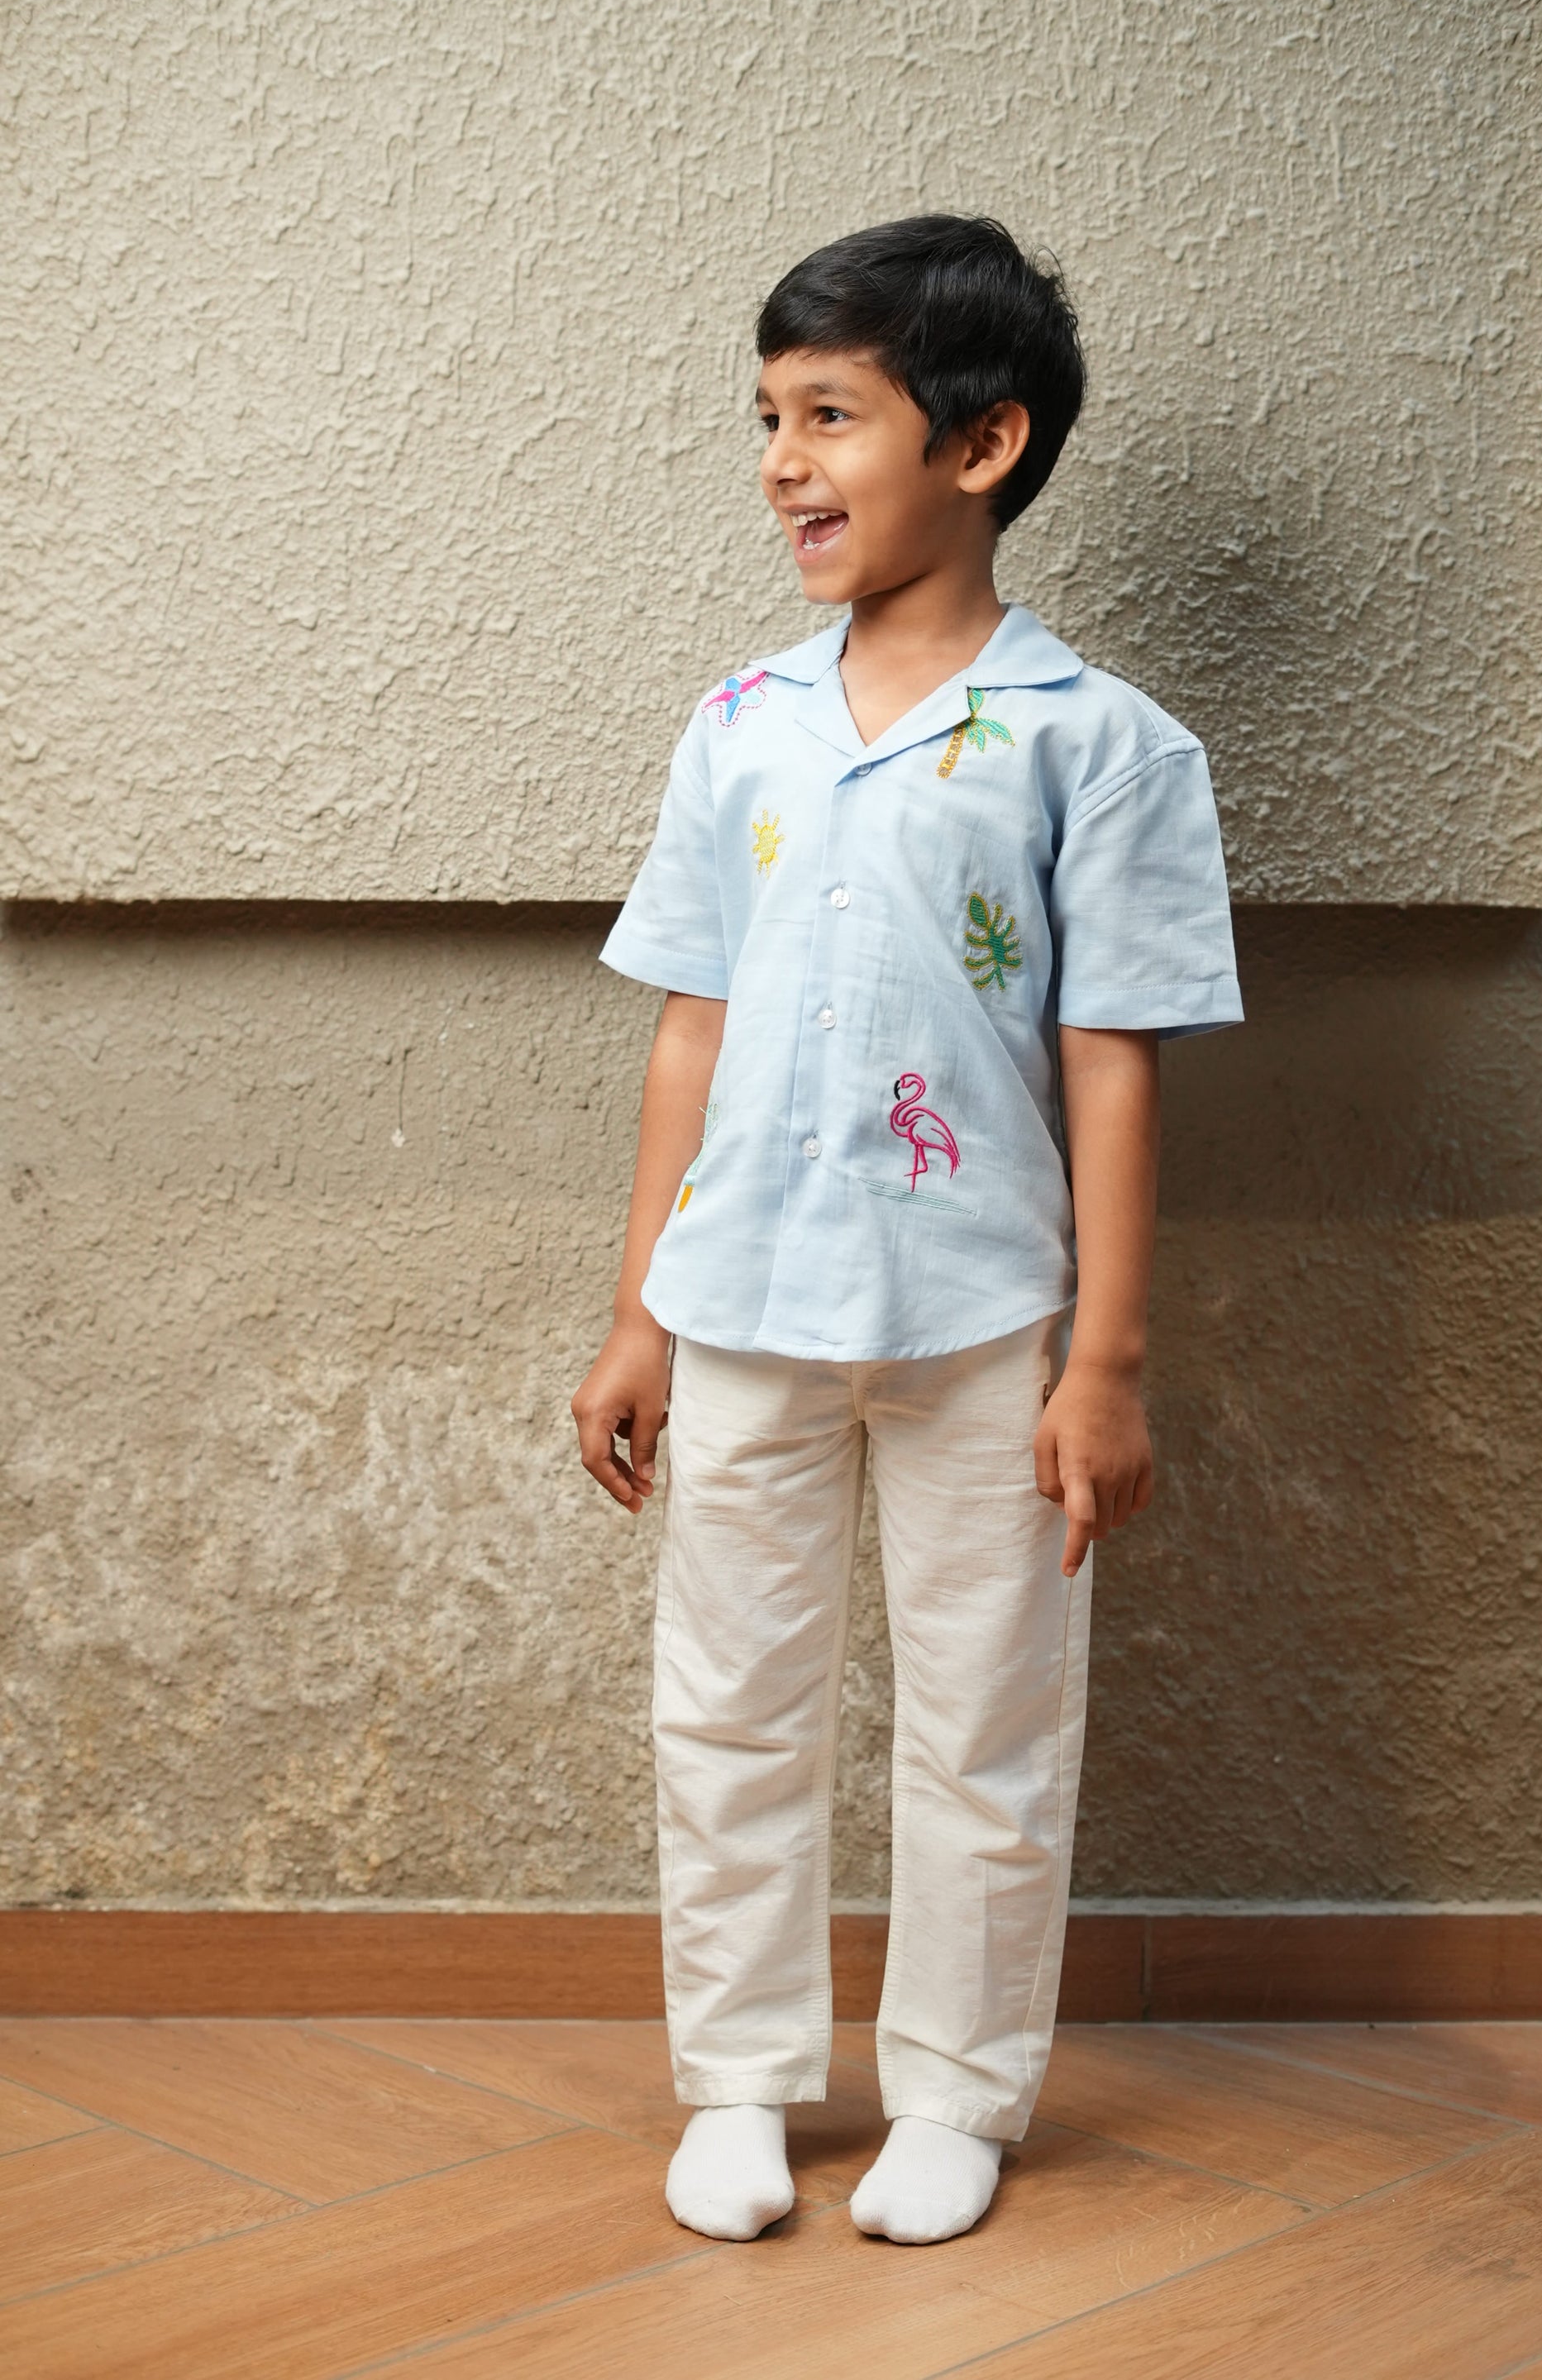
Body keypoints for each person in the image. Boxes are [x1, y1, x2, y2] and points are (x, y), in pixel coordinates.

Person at [570, 214, 1242, 2248]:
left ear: (979, 441)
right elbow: (692, 1022)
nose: (782, 456)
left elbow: (1110, 1060)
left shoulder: (1097, 744)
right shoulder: (740, 721)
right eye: (767, 416)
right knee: (731, 1700)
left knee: (987, 1718)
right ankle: (746, 2079)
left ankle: (957, 2086)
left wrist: (1103, 1360)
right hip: (742, 1298)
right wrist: (635, 1313)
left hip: (978, 1321)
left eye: (831, 413)